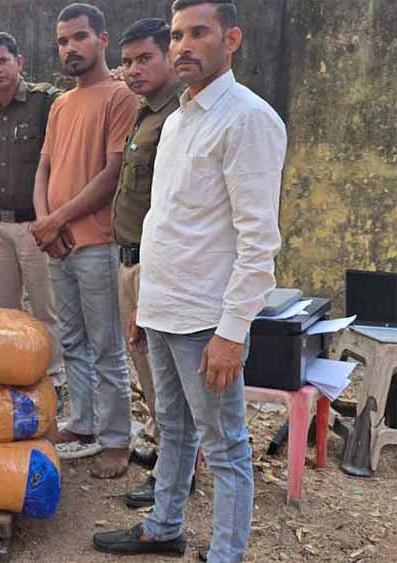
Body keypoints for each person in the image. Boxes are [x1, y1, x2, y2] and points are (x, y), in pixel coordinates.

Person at [92, 1, 286, 560]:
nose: (183, 46)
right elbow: (166, 222)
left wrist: (232, 333)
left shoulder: (248, 120)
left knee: (224, 446)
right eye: (177, 35)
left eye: (199, 33)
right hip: (165, 310)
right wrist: (145, 306)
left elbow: (258, 242)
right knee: (173, 430)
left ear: (231, 40)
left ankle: (225, 553)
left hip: (207, 319)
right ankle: (164, 528)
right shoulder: (177, 120)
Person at [30, 3, 138, 478]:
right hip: (58, 243)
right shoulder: (60, 104)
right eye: (62, 41)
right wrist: (44, 223)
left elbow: (112, 174)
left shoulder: (120, 97)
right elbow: (44, 167)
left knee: (106, 346)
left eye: (79, 37)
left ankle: (116, 439)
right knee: (71, 339)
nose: (70, 48)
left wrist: (57, 221)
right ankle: (82, 423)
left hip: (96, 244)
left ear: (102, 39)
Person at [0, 32, 66, 397]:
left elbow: (79, 111)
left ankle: (53, 378)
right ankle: (11, 373)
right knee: (4, 308)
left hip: (35, 224)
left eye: (3, 61)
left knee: (44, 307)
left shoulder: (45, 102)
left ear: (19, 62)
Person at [109, 18, 182, 508]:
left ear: (169, 57)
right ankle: (166, 450)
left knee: (163, 373)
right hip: (130, 261)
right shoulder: (147, 112)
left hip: (155, 265)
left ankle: (176, 471)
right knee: (147, 368)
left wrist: (151, 281)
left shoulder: (177, 117)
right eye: (127, 62)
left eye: (144, 59)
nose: (133, 70)